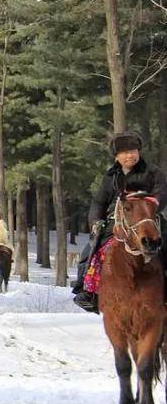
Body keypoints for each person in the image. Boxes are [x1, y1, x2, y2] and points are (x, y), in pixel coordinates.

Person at [72, 131, 167, 312]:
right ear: (116, 156)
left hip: (148, 219)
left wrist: (152, 203)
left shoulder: (153, 172)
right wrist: (95, 222)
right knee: (91, 251)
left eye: (133, 150)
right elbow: (99, 201)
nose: (129, 155)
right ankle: (88, 292)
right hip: (116, 221)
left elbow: (162, 193)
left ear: (139, 151)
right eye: (124, 152)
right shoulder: (111, 176)